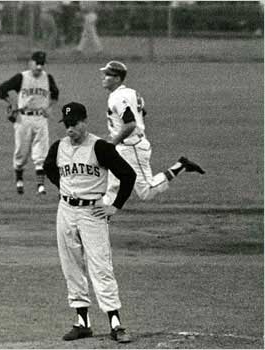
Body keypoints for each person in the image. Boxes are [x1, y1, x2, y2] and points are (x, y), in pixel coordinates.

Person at [43, 101, 136, 343]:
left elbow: (128, 175)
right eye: (66, 125)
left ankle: (115, 322)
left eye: (74, 124)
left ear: (85, 122)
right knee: (70, 265)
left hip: (92, 213)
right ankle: (82, 321)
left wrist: (114, 206)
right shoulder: (59, 146)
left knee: (100, 266)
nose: (70, 129)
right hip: (65, 211)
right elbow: (49, 168)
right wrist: (64, 189)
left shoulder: (101, 147)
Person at [99, 60, 205, 206]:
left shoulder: (117, 97)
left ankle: (181, 166)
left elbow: (130, 124)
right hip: (127, 146)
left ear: (117, 78)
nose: (103, 77)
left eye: (107, 75)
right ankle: (96, 220)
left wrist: (113, 142)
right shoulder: (131, 92)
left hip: (132, 148)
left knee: (146, 192)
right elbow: (142, 113)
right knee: (112, 187)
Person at [0, 51, 59, 195]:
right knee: (21, 152)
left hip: (40, 118)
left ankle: (40, 186)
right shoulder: (22, 77)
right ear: (30, 63)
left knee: (41, 153)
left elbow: (55, 94)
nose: (39, 67)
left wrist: (50, 107)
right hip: (23, 118)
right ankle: (19, 181)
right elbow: (1, 89)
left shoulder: (47, 78)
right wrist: (12, 103)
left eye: (42, 64)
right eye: (36, 63)